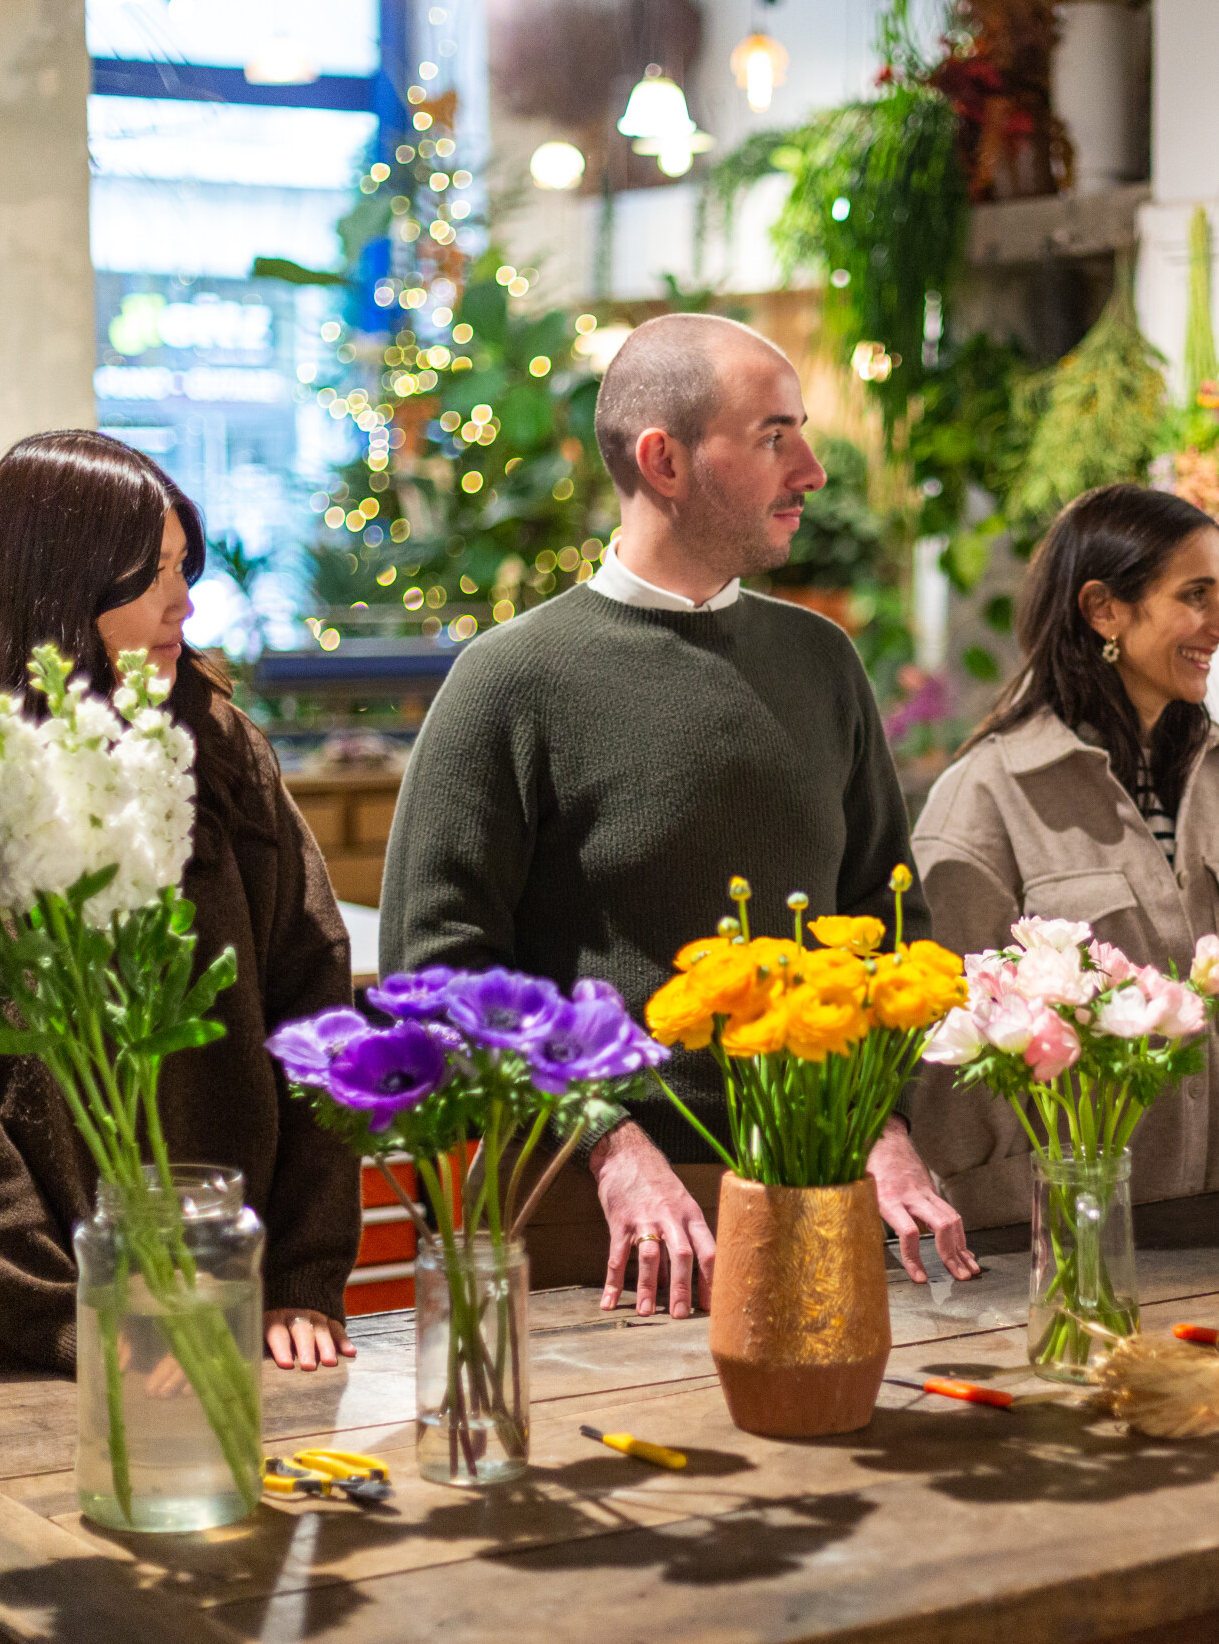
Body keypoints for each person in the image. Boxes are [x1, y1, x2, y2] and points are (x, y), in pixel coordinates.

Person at [378, 312, 977, 1318]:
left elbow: (890, 922)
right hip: (587, 1214)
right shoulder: (510, 680)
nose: (815, 472)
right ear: (664, 459)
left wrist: (881, 1118)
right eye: (775, 435)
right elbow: (435, 971)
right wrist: (605, 1140)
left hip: (818, 1191)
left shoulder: (820, 662)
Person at [0, 430, 363, 1380]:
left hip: (211, 1294)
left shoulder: (219, 748)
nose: (181, 602)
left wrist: (304, 1272)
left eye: (181, 569)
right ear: (53, 586)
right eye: (147, 575)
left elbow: (314, 999)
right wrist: (65, 1310)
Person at [907, 484, 1219, 1228]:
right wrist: (1013, 1210)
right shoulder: (987, 797)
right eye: (1196, 595)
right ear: (1103, 609)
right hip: (1066, 1241)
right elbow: (945, 1049)